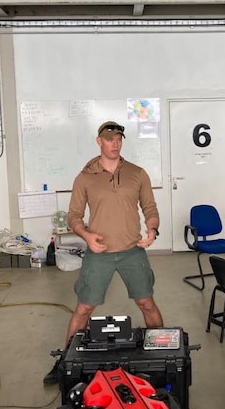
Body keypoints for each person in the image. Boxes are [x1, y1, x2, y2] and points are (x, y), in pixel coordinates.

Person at [43, 121, 163, 385]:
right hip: (99, 253)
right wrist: (86, 235)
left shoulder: (137, 173)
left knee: (147, 303)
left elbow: (150, 208)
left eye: (119, 138)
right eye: (110, 139)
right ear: (99, 141)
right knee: (84, 309)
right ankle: (66, 361)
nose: (115, 143)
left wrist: (152, 230)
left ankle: (163, 353)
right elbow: (74, 216)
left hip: (133, 251)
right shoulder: (85, 177)